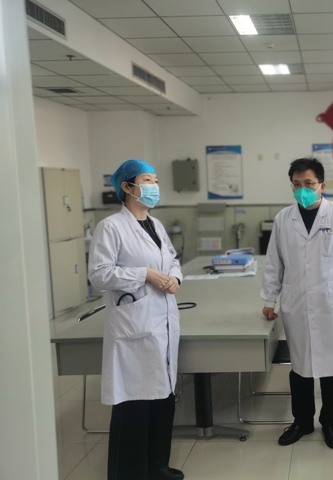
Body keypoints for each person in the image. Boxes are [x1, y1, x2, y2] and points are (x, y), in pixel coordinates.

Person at [88, 159, 184, 480]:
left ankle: (157, 466)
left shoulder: (155, 225)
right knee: (134, 406)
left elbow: (172, 259)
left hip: (162, 322)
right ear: (127, 187)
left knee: (162, 401)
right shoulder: (111, 227)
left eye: (155, 180)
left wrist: (175, 278)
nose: (154, 186)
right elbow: (99, 275)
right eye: (147, 180)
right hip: (134, 326)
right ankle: (129, 473)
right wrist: (144, 274)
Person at [261, 157, 333, 449]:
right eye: (296, 185)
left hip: (331, 302)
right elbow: (274, 262)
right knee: (300, 368)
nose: (302, 190)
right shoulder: (284, 219)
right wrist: (269, 298)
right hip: (296, 302)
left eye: (308, 183)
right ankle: (302, 421)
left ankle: (330, 422)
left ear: (321, 185)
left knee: (331, 367)